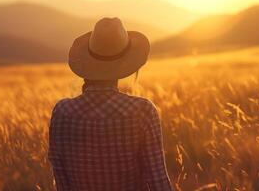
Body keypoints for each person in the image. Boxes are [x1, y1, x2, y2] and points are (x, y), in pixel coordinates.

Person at [48, 18, 173, 191]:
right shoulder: (142, 111)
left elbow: (61, 183)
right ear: (125, 64)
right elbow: (158, 182)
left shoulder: (61, 112)